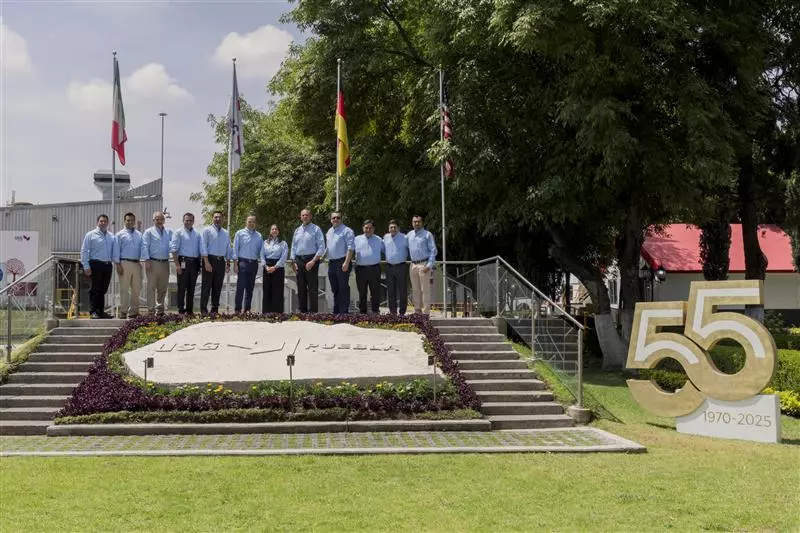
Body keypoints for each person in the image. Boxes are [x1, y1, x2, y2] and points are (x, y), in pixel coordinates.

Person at [81, 214, 118, 319]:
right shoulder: (90, 235)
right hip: (95, 264)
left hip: (107, 265)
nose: (103, 223)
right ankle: (93, 312)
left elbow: (114, 251)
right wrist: (86, 266)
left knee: (103, 290)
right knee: (95, 289)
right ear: (97, 222)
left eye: (105, 221)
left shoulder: (111, 236)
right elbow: (84, 250)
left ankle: (100, 312)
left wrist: (117, 263)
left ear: (108, 223)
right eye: (101, 221)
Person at [290, 208, 325, 313]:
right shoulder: (297, 230)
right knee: (301, 287)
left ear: (310, 217)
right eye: (303, 215)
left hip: (312, 259)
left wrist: (313, 261)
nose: (305, 217)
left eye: (307, 215)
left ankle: (313, 312)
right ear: (300, 217)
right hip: (299, 260)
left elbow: (321, 247)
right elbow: (293, 247)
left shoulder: (316, 229)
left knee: (313, 288)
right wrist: (293, 261)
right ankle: (302, 311)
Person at [170, 212, 205, 315]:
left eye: (190, 220)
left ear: (193, 221)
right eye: (186, 220)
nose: (188, 222)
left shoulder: (197, 234)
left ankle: (190, 311)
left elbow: (199, 251)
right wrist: (177, 265)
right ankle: (181, 311)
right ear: (183, 221)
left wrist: (199, 266)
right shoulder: (178, 233)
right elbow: (174, 249)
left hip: (194, 263)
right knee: (181, 288)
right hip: (183, 262)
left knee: (191, 288)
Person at [140, 211, 172, 315]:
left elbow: (173, 245)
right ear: (153, 220)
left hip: (165, 263)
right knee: (151, 287)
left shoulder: (169, 232)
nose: (159, 221)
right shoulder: (149, 232)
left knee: (163, 288)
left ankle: (160, 310)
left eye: (161, 219)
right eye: (157, 219)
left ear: (164, 220)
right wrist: (147, 260)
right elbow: (144, 246)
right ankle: (150, 310)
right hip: (152, 263)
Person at [201, 211, 231, 315]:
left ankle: (215, 311)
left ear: (222, 219)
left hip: (221, 262)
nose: (218, 219)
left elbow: (228, 247)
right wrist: (206, 262)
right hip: (209, 260)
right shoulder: (207, 230)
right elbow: (203, 245)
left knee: (217, 287)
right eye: (215, 217)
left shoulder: (226, 232)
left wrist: (228, 262)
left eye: (219, 217)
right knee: (206, 287)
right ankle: (204, 311)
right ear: (212, 218)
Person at [407, 214, 437, 314]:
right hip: (413, 265)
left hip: (424, 264)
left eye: (418, 221)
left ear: (422, 222)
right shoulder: (409, 235)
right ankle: (417, 310)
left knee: (425, 289)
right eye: (414, 222)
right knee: (415, 289)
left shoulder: (427, 234)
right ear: (412, 223)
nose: (416, 223)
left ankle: (426, 312)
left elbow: (433, 251)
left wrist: (429, 265)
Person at [233, 215, 264, 313]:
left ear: (256, 223)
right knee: (240, 287)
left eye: (253, 222)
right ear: (246, 222)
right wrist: (235, 263)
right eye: (249, 221)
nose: (251, 223)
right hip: (243, 263)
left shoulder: (259, 235)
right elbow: (235, 248)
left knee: (250, 288)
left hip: (254, 264)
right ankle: (238, 310)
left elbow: (262, 251)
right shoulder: (239, 233)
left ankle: (247, 309)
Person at [325, 212, 354, 314]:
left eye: (338, 217)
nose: (335, 219)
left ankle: (344, 313)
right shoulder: (329, 231)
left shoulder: (347, 230)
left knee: (343, 288)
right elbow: (328, 248)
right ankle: (336, 312)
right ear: (330, 219)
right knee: (335, 289)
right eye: (333, 218)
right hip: (331, 263)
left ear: (341, 219)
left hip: (343, 262)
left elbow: (350, 248)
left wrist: (346, 262)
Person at [354, 219, 385, 314]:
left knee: (375, 292)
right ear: (363, 228)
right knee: (362, 292)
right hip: (361, 269)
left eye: (370, 228)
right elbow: (349, 251)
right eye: (366, 228)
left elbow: (387, 251)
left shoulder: (379, 240)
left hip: (374, 269)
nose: (368, 230)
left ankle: (375, 311)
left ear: (373, 229)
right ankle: (362, 312)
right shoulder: (356, 239)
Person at [115, 212, 143, 319]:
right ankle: (123, 311)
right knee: (124, 289)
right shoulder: (119, 234)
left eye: (132, 220)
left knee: (136, 289)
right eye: (128, 220)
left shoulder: (139, 234)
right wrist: (118, 264)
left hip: (137, 264)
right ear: (124, 221)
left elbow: (142, 249)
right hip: (124, 263)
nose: (130, 222)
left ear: (134, 221)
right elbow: (116, 251)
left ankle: (134, 312)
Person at [384, 219, 409, 315]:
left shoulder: (405, 237)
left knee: (402, 290)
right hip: (389, 267)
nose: (393, 229)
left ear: (398, 228)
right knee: (391, 291)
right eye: (391, 227)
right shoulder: (386, 237)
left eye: (395, 227)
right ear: (388, 229)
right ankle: (393, 312)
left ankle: (402, 312)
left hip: (401, 266)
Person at [261, 224, 288, 313]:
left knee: (278, 291)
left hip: (278, 268)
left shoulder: (283, 243)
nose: (274, 230)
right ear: (270, 231)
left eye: (276, 229)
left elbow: (284, 257)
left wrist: (275, 267)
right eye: (272, 229)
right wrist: (266, 266)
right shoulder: (265, 242)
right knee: (267, 290)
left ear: (278, 231)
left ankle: (278, 314)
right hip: (267, 267)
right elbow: (262, 255)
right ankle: (266, 313)